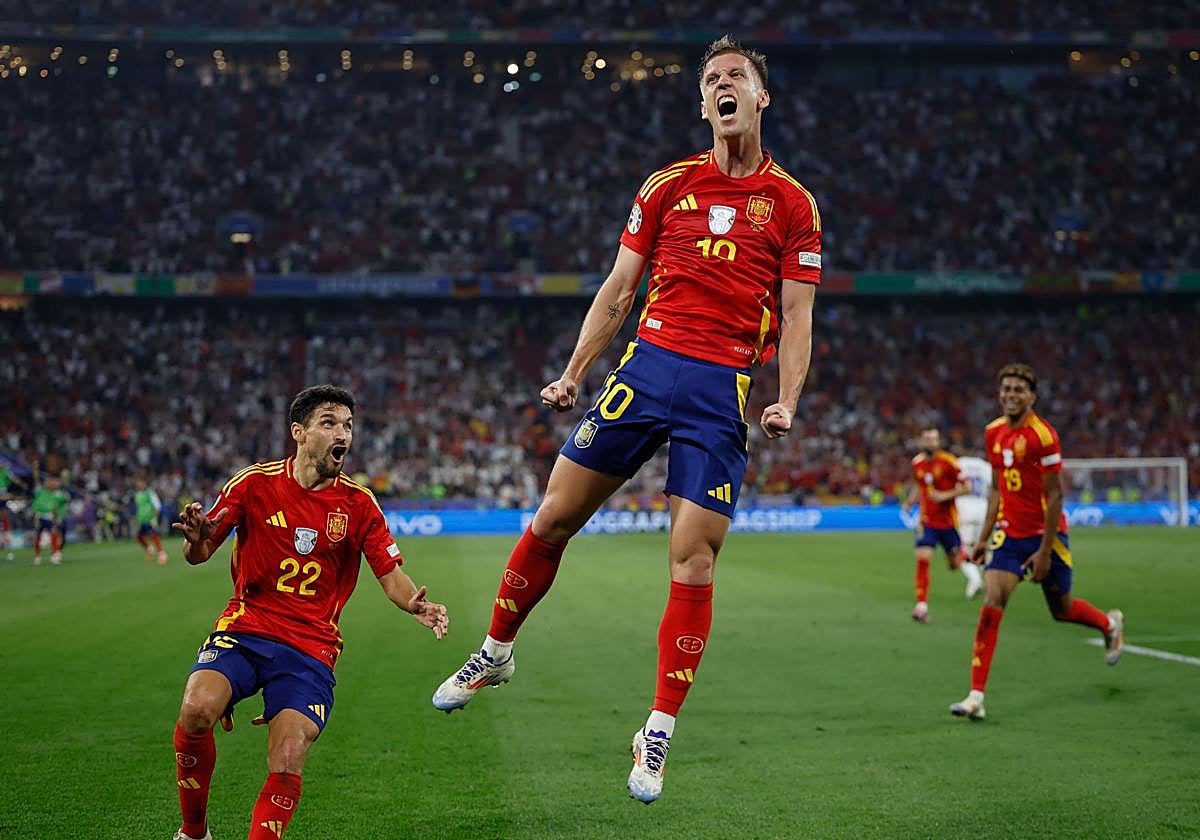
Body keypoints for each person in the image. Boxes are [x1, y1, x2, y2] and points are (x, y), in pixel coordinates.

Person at [431, 35, 820, 804]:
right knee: (551, 519)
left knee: (693, 561)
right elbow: (618, 289)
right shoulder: (666, 185)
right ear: (702, 103)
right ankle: (495, 653)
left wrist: (787, 398)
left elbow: (801, 316)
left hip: (719, 390)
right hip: (643, 371)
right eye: (712, 80)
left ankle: (658, 732)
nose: (723, 86)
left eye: (735, 76)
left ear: (761, 97)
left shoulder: (794, 204)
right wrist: (574, 372)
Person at [169, 385, 449, 840]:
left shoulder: (358, 505)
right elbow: (198, 553)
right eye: (330, 423)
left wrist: (412, 602)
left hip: (310, 647)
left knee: (290, 753)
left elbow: (390, 573)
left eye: (349, 426)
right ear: (298, 433)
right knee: (196, 709)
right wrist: (197, 536)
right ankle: (193, 832)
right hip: (246, 628)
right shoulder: (253, 484)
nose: (344, 434)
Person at [949, 364, 1123, 721]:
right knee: (993, 600)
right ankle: (975, 696)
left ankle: (1108, 625)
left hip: (1047, 535)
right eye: (1006, 388)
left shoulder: (1043, 436)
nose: (1011, 395)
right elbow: (996, 490)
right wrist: (983, 539)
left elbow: (1056, 496)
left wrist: (1044, 553)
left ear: (1032, 396)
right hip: (1009, 533)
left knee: (1061, 610)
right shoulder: (993, 433)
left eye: (1018, 390)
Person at [901, 428, 981, 622]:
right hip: (927, 521)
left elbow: (968, 488)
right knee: (923, 560)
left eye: (934, 439)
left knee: (954, 565)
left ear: (938, 442)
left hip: (948, 523)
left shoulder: (949, 462)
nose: (930, 442)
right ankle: (921, 606)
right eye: (927, 439)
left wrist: (944, 495)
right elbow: (920, 487)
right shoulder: (917, 463)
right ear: (921, 441)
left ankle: (967, 558)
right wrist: (910, 501)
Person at [954, 451, 992, 562]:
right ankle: (985, 573)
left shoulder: (957, 463)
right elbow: (993, 488)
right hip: (982, 509)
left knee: (964, 547)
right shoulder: (985, 466)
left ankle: (974, 578)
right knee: (981, 546)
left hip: (963, 508)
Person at [30, 468, 69, 565]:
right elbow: (36, 480)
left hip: (50, 517)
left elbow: (58, 505)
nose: (49, 483)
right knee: (38, 536)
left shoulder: (56, 494)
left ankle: (55, 555)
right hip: (39, 516)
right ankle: (37, 556)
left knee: (54, 534)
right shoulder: (40, 492)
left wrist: (56, 518)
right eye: (48, 482)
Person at [134, 474, 168, 564]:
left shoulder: (150, 493)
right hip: (142, 519)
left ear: (144, 483)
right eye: (138, 483)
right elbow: (139, 508)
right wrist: (137, 518)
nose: (139, 485)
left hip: (150, 518)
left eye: (141, 483)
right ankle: (149, 549)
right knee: (139, 537)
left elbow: (157, 506)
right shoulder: (137, 495)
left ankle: (162, 553)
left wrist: (154, 517)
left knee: (153, 535)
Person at [0, 464, 25, 561]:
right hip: (3, 497)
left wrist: (21, 484)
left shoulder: (5, 472)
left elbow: (13, 478)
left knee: (5, 525)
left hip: (3, 498)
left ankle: (8, 549)